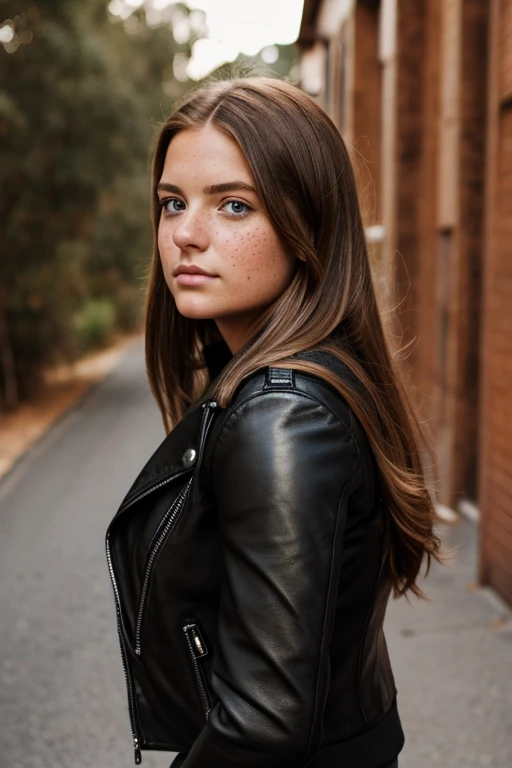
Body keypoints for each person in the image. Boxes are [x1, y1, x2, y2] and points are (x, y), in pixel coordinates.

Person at [105, 76, 441, 768]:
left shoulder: (282, 417)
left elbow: (262, 724)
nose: (186, 236)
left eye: (233, 205)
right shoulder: (308, 378)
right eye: (172, 203)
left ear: (306, 223)